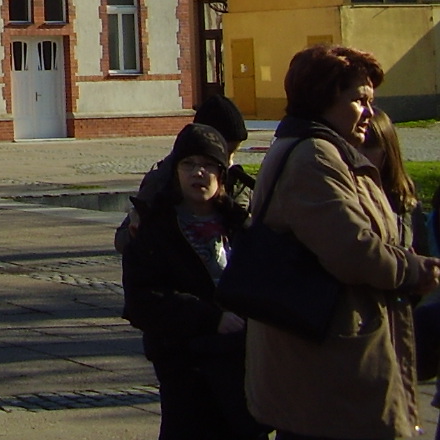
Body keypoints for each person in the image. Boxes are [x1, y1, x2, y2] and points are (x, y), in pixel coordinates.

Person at [245, 44, 440, 440]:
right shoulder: (313, 157)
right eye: (359, 100)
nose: (369, 112)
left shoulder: (333, 152)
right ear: (323, 98)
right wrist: (412, 270)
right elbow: (353, 250)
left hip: (338, 356)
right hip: (326, 363)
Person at [123, 123, 264, 439]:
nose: (198, 173)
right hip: (184, 365)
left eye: (208, 165)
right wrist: (210, 318)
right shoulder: (154, 228)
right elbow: (142, 301)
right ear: (176, 172)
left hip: (241, 362)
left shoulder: (241, 226)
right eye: (189, 164)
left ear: (221, 174)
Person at [116, 93, 255, 254]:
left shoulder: (239, 183)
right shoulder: (162, 181)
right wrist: (137, 231)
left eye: (234, 153)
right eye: (226, 153)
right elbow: (123, 240)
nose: (230, 162)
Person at [361, 109, 433, 257]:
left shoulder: (405, 199)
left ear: (387, 151)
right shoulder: (342, 194)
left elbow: (423, 252)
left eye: (368, 147)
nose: (359, 153)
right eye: (353, 145)